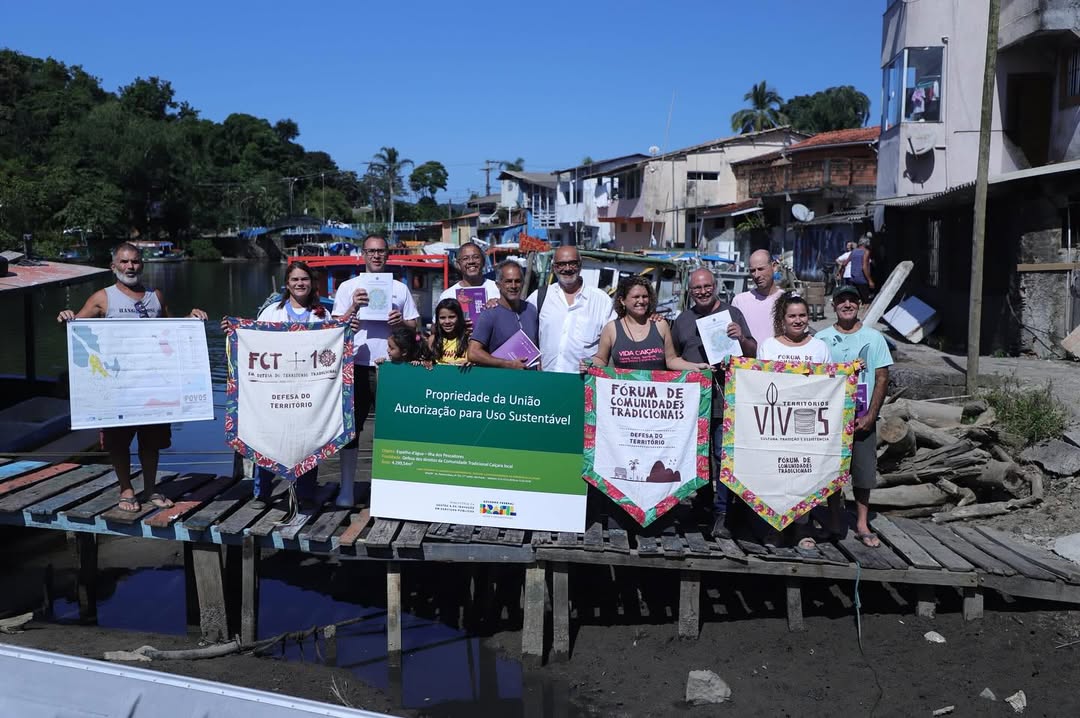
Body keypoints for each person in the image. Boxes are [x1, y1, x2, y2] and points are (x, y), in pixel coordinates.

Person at [56, 242, 208, 513]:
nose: (130, 267)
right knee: (118, 442)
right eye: (124, 262)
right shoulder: (102, 298)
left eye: (135, 262)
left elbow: (172, 332)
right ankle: (126, 489)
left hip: (153, 385)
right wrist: (66, 318)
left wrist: (191, 319)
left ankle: (150, 488)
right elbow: (77, 333)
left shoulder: (156, 296)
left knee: (152, 441)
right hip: (117, 388)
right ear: (113, 267)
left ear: (142, 264)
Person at [331, 235, 419, 507]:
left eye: (381, 251)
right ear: (363, 254)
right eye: (371, 251)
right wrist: (352, 311)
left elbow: (415, 326)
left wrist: (400, 322)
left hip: (391, 367)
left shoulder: (399, 289)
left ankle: (390, 490)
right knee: (350, 429)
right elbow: (333, 329)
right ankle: (346, 489)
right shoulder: (349, 287)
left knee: (391, 429)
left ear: (388, 254)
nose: (376, 256)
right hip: (354, 366)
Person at [671, 268, 756, 538]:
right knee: (695, 457)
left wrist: (741, 337)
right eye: (697, 288)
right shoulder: (682, 320)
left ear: (715, 285)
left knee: (722, 456)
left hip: (725, 398)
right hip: (692, 401)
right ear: (690, 290)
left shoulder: (732, 314)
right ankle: (702, 503)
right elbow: (670, 358)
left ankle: (723, 513)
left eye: (707, 286)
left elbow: (754, 352)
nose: (703, 291)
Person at [816, 285, 894, 548]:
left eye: (852, 300)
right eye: (841, 301)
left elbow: (882, 378)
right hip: (830, 419)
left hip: (862, 418)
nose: (847, 305)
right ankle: (834, 519)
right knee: (831, 472)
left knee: (863, 473)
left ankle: (861, 522)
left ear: (860, 305)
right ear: (833, 306)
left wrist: (872, 415)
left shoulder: (875, 338)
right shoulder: (822, 339)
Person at [249, 261, 326, 510]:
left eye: (304, 279)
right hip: (276, 388)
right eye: (294, 280)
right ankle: (262, 492)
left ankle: (305, 492)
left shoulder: (322, 314)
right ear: (287, 284)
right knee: (268, 437)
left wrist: (348, 328)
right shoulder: (272, 312)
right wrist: (233, 331)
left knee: (308, 440)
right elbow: (254, 340)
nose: (300, 283)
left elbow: (334, 347)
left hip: (309, 390)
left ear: (311, 283)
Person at [591, 276, 709, 372]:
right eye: (636, 297)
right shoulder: (611, 329)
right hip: (624, 397)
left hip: (656, 397)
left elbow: (671, 360)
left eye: (645, 296)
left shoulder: (660, 324)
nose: (641, 301)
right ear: (622, 300)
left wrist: (695, 366)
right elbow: (601, 359)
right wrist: (588, 364)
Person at [527, 245, 614, 373]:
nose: (567, 269)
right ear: (553, 268)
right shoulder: (540, 296)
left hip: (583, 382)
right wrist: (495, 303)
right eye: (561, 264)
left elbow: (617, 335)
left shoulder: (601, 300)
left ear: (580, 265)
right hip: (545, 379)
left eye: (572, 263)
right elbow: (517, 319)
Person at [468, 261, 540, 369]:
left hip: (530, 380)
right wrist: (508, 364)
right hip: (501, 381)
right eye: (508, 281)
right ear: (498, 285)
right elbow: (473, 353)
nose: (513, 286)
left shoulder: (531, 310)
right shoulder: (489, 314)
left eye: (518, 281)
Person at [757, 292, 831, 364]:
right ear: (783, 319)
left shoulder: (820, 346)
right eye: (792, 316)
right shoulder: (768, 346)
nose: (798, 321)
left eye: (802, 315)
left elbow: (829, 375)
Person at [731, 249, 784, 348]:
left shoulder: (788, 300)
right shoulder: (739, 301)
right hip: (748, 362)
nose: (757, 275)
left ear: (774, 267)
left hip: (778, 362)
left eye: (761, 269)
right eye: (752, 271)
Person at [438, 241, 499, 326]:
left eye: (476, 257)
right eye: (465, 258)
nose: (471, 261)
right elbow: (436, 328)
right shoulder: (447, 295)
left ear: (483, 261)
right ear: (458, 264)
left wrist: (499, 307)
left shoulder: (498, 289)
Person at [427, 298, 470, 365]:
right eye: (442, 318)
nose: (447, 322)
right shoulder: (432, 340)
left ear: (459, 317)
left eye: (452, 317)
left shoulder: (468, 339)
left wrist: (470, 362)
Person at [847, 235, 874, 303]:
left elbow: (844, 263)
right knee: (866, 301)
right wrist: (870, 280)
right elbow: (864, 267)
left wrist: (840, 272)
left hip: (853, 279)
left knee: (856, 300)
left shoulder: (854, 251)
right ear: (867, 243)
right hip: (862, 280)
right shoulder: (866, 252)